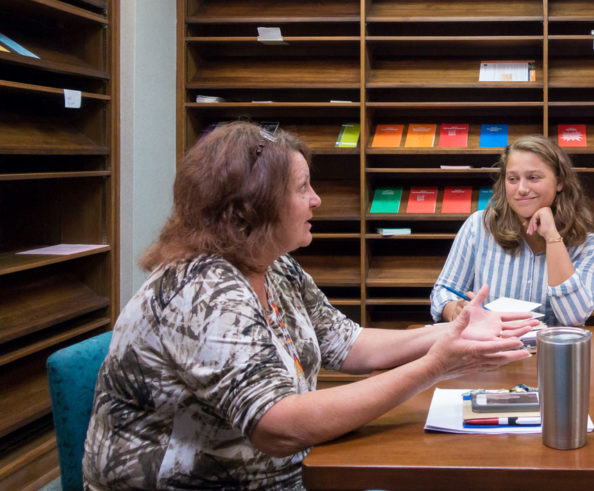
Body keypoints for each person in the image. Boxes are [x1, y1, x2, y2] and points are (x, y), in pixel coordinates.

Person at [83, 122, 534, 489]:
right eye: (302, 188)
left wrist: (450, 331)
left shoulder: (274, 267)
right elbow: (278, 426)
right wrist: (434, 366)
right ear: (252, 207)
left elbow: (350, 345)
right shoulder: (200, 289)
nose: (316, 199)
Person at [430, 135, 594, 327]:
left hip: (551, 354)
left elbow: (573, 318)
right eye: (513, 179)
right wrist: (454, 308)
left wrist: (553, 237)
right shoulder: (478, 226)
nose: (521, 189)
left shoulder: (588, 244)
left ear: (560, 182)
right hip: (490, 351)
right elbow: (442, 292)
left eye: (533, 178)